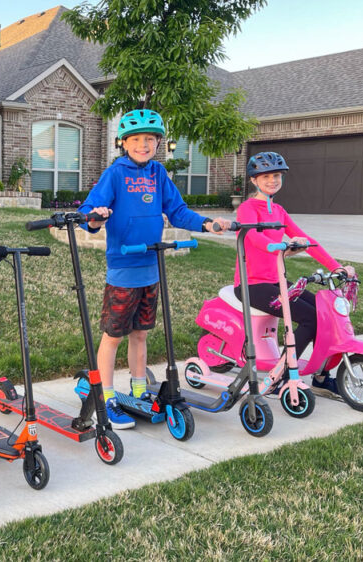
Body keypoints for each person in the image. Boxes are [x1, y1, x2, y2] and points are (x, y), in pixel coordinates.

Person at [78, 109, 229, 429]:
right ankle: (105, 397)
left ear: (158, 143)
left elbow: (176, 211)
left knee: (141, 334)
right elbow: (89, 211)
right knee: (113, 335)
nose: (143, 145)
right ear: (124, 142)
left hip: (150, 268)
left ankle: (138, 390)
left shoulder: (158, 174)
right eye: (136, 139)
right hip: (123, 267)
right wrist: (96, 217)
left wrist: (205, 223)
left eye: (150, 139)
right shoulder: (115, 173)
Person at [234, 151, 356, 395]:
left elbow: (307, 239)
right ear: (254, 180)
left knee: (325, 313)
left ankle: (321, 376)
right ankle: (280, 374)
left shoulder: (278, 211)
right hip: (252, 286)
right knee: (310, 319)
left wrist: (336, 267)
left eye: (277, 175)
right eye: (266, 176)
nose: (272, 180)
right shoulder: (248, 208)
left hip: (276, 281)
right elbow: (251, 236)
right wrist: (278, 247)